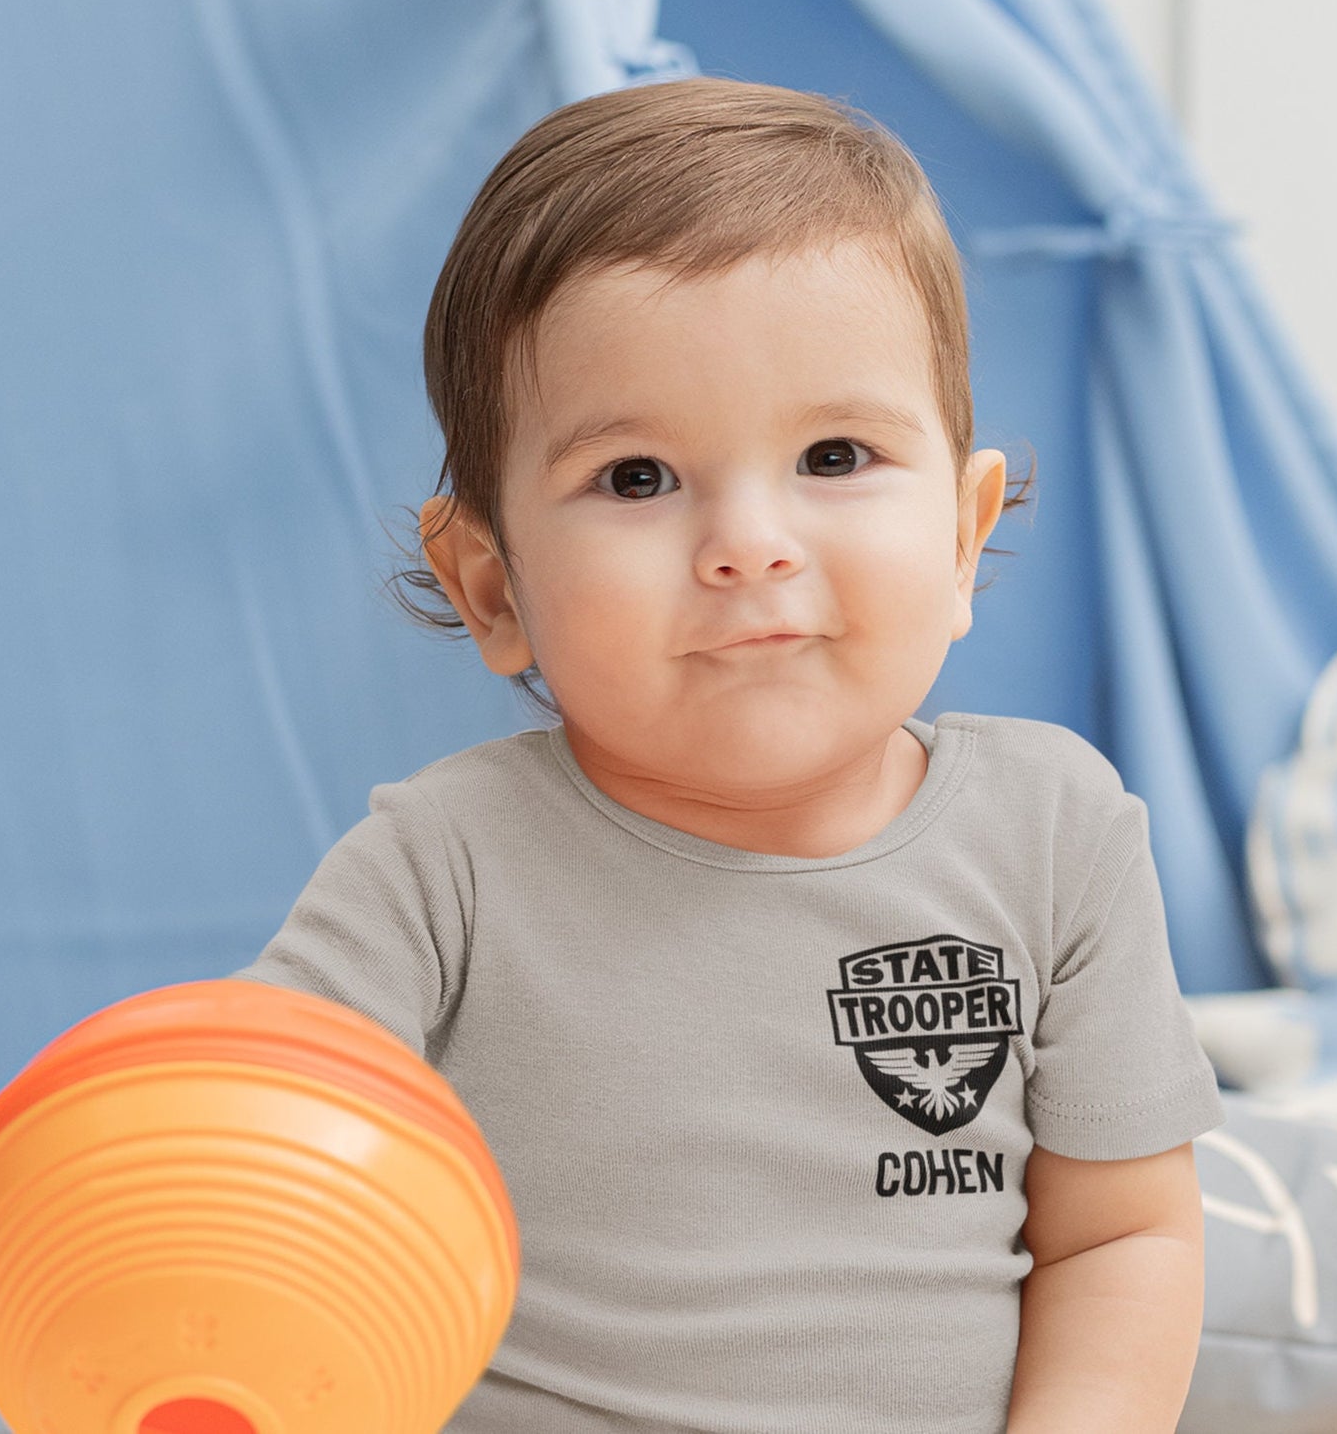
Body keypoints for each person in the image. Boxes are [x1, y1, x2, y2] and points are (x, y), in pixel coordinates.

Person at [232, 75, 1224, 1433]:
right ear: (490, 589)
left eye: (833, 453)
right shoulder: (441, 869)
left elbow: (1120, 1239)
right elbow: (248, 1135)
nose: (748, 542)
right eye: (636, 478)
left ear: (959, 534)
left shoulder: (1052, 833)